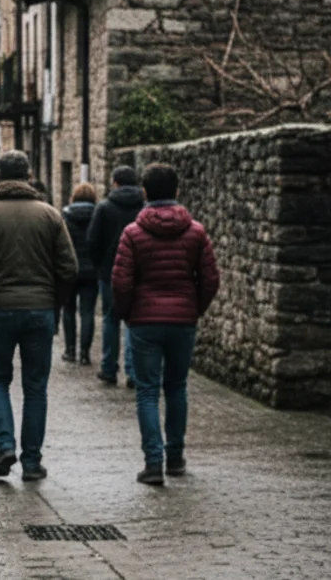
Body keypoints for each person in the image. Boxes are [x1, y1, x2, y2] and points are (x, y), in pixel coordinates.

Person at [0, 150, 77, 481]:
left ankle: (4, 446)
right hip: (40, 308)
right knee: (36, 386)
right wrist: (54, 303)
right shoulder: (50, 216)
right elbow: (69, 267)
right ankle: (31, 462)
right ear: (29, 176)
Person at [111, 163, 220, 486]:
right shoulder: (196, 232)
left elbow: (121, 282)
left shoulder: (133, 233)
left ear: (145, 193)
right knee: (176, 387)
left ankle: (153, 463)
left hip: (144, 322)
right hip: (182, 320)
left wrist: (128, 313)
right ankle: (175, 458)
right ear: (176, 191)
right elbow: (211, 279)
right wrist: (193, 308)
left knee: (147, 391)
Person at [88, 166, 145, 388]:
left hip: (109, 272)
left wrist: (100, 264)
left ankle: (110, 368)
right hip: (137, 272)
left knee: (111, 318)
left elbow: (93, 241)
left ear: (115, 183)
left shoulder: (104, 207)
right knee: (133, 320)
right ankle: (133, 371)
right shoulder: (143, 207)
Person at [61, 183, 99, 364]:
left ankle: (70, 350)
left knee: (68, 310)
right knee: (87, 312)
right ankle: (85, 353)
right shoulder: (98, 215)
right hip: (91, 271)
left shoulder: (65, 217)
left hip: (70, 270)